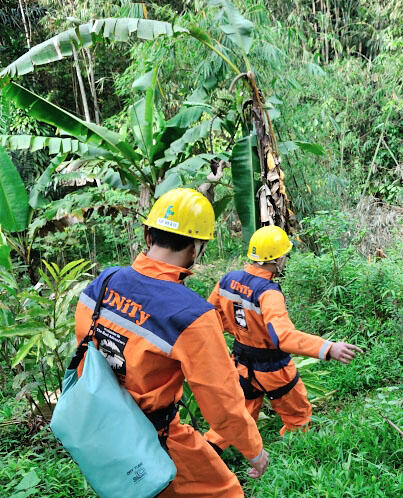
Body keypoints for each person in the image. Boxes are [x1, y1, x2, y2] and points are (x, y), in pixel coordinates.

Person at [74, 188, 268, 497]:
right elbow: (223, 406)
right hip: (157, 437)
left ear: (148, 235)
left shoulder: (103, 282)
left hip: (102, 427)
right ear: (197, 248)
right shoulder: (191, 314)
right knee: (226, 492)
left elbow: (86, 354)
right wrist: (255, 451)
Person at [204, 225, 363, 445]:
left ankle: (204, 460)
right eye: (285, 257)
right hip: (273, 369)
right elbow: (284, 337)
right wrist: (328, 348)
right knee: (298, 417)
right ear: (276, 260)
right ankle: (293, 458)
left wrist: (240, 331)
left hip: (240, 363)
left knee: (236, 418)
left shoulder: (227, 280)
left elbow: (210, 318)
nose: (285, 261)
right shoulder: (268, 293)